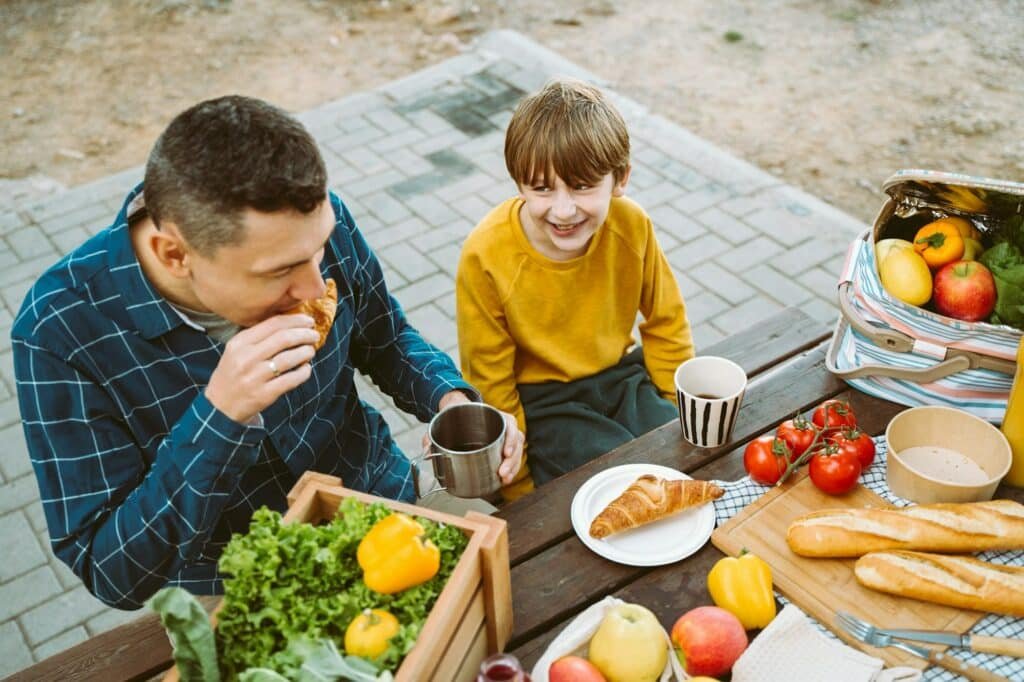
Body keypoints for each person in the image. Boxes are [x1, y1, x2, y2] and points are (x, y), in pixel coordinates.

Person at [11, 95, 523, 609]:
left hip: (380, 501)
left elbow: (385, 340)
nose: (312, 284)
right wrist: (221, 415)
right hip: (242, 585)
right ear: (176, 254)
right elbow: (112, 572)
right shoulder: (59, 330)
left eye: (319, 250)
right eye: (279, 273)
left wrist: (451, 401)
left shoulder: (305, 229)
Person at [456, 78, 694, 500]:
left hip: (621, 378)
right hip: (544, 403)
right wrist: (520, 489)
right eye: (542, 188)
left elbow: (665, 319)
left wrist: (674, 406)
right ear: (518, 183)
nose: (563, 210)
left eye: (582, 186)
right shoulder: (486, 253)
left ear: (619, 178)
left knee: (680, 454)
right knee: (623, 483)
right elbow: (489, 378)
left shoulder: (632, 225)